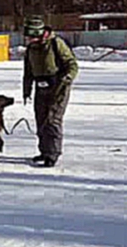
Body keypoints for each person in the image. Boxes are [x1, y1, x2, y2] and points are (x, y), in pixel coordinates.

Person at [22, 16, 78, 168]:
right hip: (41, 87)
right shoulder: (30, 49)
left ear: (37, 34)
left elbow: (72, 64)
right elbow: (28, 71)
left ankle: (52, 154)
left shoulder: (55, 43)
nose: (27, 39)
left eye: (30, 36)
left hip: (58, 86)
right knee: (41, 119)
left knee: (53, 120)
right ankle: (44, 151)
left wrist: (67, 78)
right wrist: (26, 90)